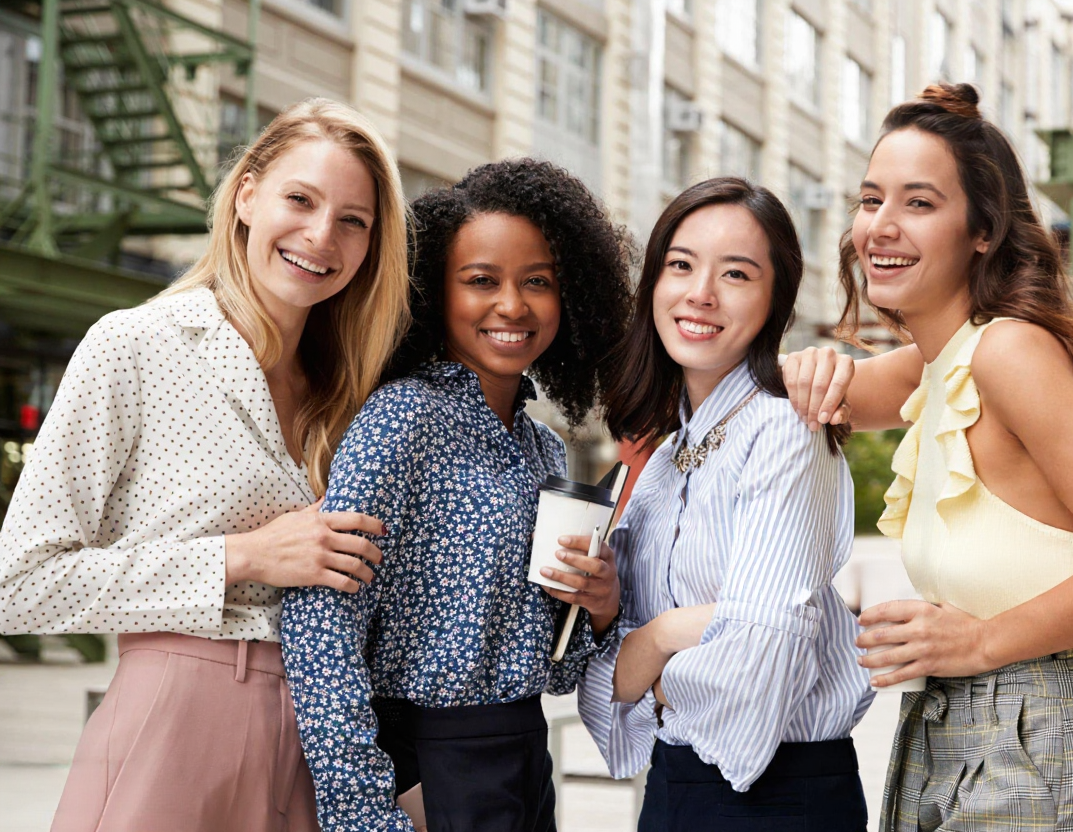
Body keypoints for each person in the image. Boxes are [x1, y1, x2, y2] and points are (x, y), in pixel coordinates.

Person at [783, 83, 1073, 831]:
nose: (880, 227)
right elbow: (833, 390)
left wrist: (982, 639)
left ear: (981, 230)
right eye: (869, 199)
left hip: (1038, 744)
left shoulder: (1008, 353)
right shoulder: (939, 361)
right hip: (959, 737)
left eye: (918, 204)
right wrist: (797, 361)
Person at [0, 98, 412, 831]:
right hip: (176, 725)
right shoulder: (137, 344)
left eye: (354, 220)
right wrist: (244, 557)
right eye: (300, 199)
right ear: (247, 195)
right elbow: (19, 585)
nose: (322, 235)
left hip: (326, 747)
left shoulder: (354, 395)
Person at [280, 158, 635, 832]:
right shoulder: (401, 420)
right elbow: (319, 620)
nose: (513, 305)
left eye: (539, 282)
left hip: (524, 757)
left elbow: (557, 675)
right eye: (481, 281)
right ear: (432, 293)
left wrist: (597, 607)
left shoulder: (542, 449)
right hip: (428, 764)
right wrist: (363, 810)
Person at [574, 177, 874, 832]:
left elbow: (758, 664)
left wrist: (656, 639)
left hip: (781, 799)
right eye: (681, 265)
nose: (700, 293)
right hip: (676, 787)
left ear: (775, 301)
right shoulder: (662, 457)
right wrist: (654, 631)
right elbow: (606, 672)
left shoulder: (787, 427)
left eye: (735, 273)